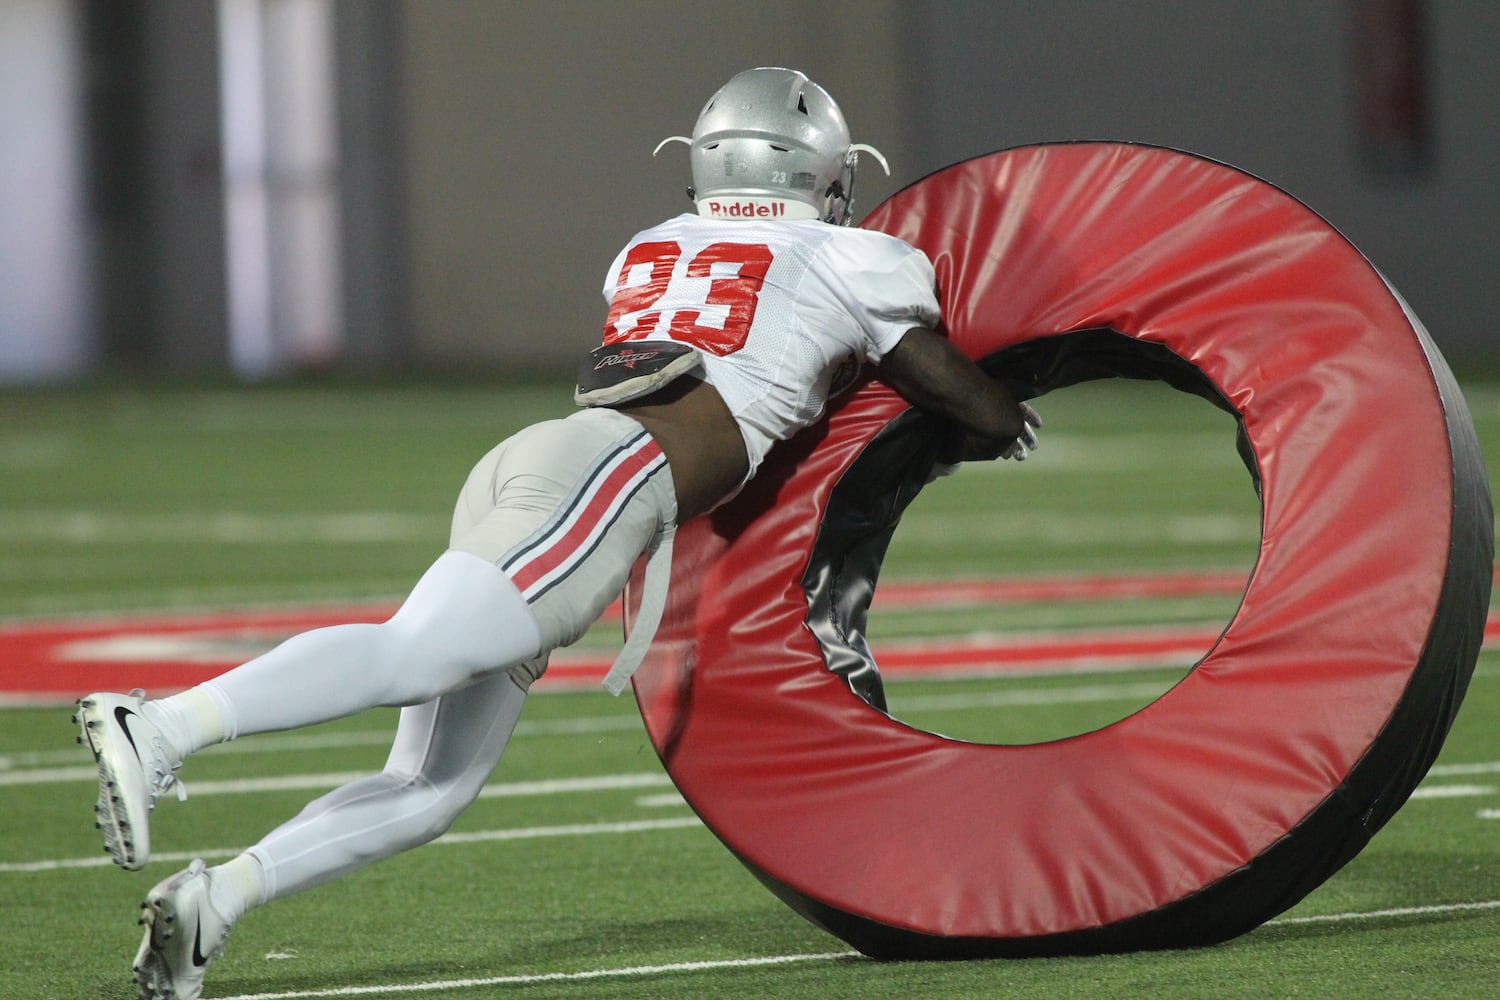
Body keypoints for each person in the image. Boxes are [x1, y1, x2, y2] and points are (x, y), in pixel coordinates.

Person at [74, 66, 1040, 1000]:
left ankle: (214, 901)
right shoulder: (850, 258)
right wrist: (998, 418)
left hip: (547, 464)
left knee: (431, 784)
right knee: (418, 655)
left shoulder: (649, 243)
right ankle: (162, 725)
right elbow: (971, 403)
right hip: (616, 479)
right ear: (821, 172)